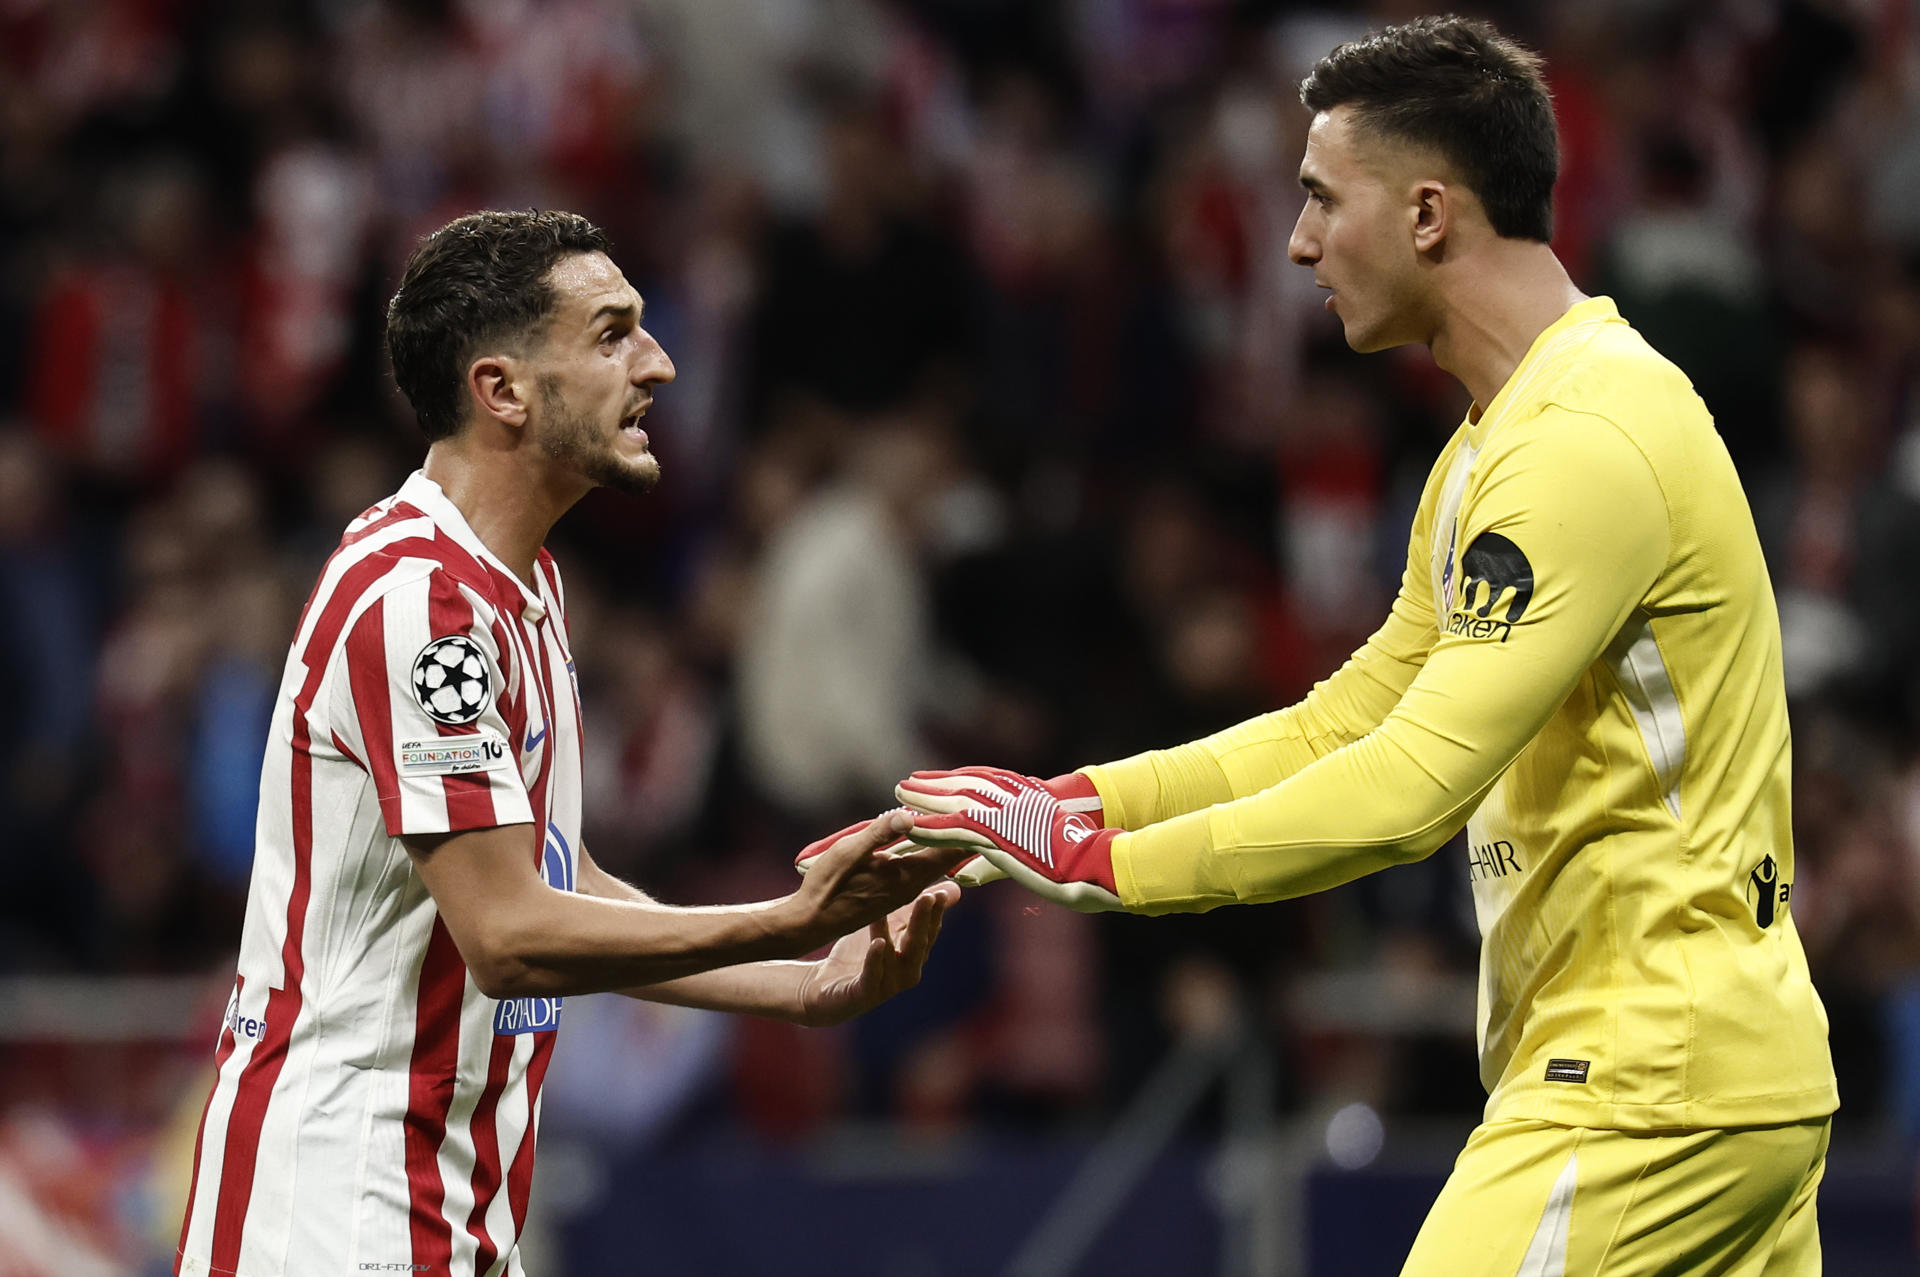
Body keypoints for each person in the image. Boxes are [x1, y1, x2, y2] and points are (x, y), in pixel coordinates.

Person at [896, 17, 1838, 1276]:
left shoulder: (1579, 445)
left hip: (1642, 1081)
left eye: (1322, 201)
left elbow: (1408, 791)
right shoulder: (1492, 450)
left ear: (1430, 214)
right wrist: (1071, 799)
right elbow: (1343, 724)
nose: (1297, 244)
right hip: (1709, 1075)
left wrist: (1109, 865)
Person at [174, 210, 966, 1277]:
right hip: (335, 1209)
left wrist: (799, 975)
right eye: (611, 334)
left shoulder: (526, 588)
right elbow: (509, 931)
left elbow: (558, 875)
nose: (661, 362)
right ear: (502, 389)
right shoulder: (420, 605)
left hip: (440, 1204)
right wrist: (781, 917)